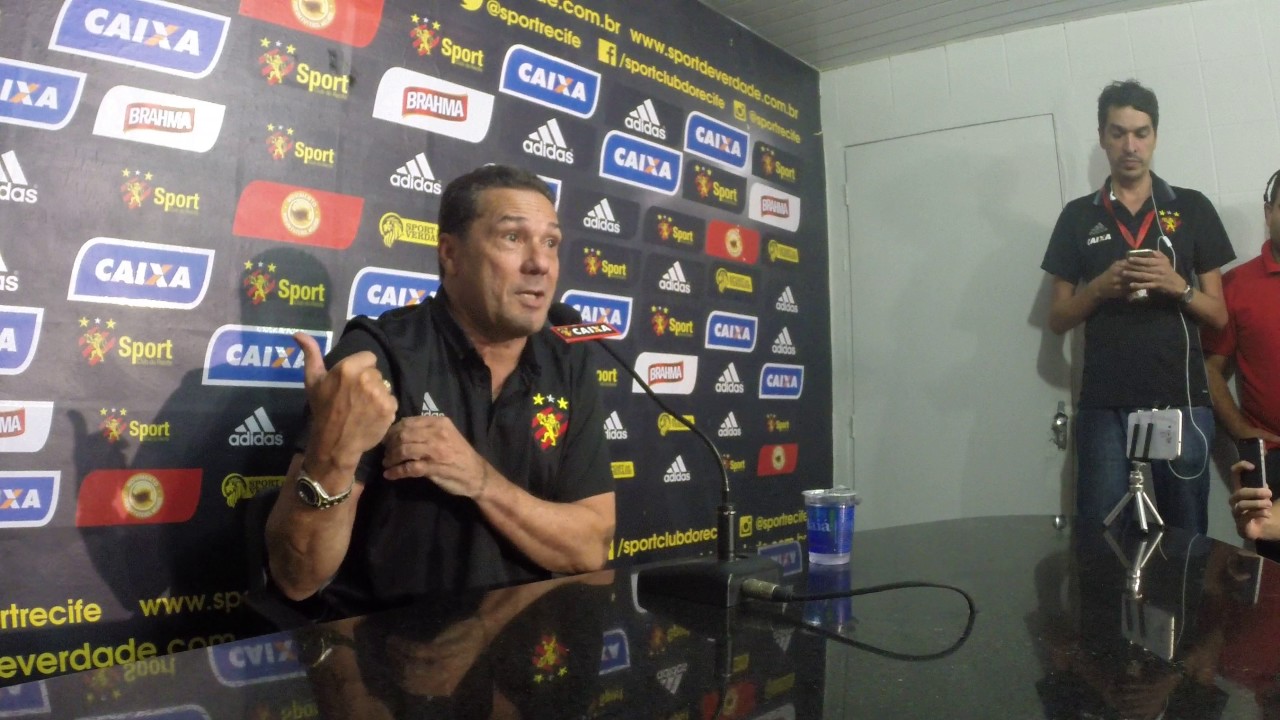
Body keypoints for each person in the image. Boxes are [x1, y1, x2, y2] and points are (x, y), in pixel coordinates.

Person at [265, 165, 615, 615]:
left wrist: (481, 481)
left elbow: (590, 547)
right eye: (512, 238)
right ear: (450, 253)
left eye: (550, 242)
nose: (540, 264)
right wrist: (333, 456)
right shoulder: (376, 356)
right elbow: (296, 578)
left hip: (520, 644)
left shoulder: (568, 360)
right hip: (385, 643)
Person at [1041, 79, 1234, 534]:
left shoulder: (1192, 207)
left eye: (1141, 133)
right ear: (1103, 137)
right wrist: (1098, 289)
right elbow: (1057, 319)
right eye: (1119, 133)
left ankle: (1178, 589)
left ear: (1155, 136)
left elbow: (1219, 315)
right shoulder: (1078, 216)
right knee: (1103, 537)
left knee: (1186, 534)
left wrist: (1177, 286)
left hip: (1181, 400)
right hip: (1104, 402)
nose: (1130, 145)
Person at [1202, 171, 1280, 450]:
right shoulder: (1236, 285)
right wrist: (1240, 430)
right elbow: (1209, 369)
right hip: (1271, 453)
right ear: (1268, 213)